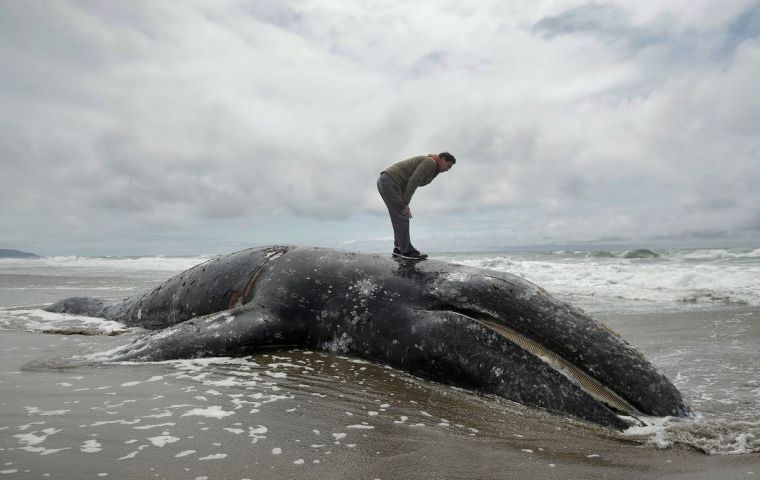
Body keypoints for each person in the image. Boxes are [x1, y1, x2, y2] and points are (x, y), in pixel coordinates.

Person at [377, 152, 456, 260]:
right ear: (442, 159)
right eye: (448, 166)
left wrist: (404, 203)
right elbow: (414, 181)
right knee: (402, 215)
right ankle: (406, 251)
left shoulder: (433, 166)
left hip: (387, 181)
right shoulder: (430, 163)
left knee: (399, 216)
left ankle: (399, 249)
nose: (448, 169)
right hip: (390, 181)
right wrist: (405, 203)